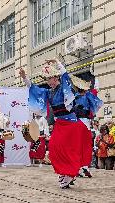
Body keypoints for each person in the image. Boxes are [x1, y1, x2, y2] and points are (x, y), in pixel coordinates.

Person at [19, 58, 88, 189]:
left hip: (71, 123)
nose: (48, 82)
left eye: (49, 79)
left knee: (69, 150)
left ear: (55, 77)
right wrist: (24, 77)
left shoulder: (63, 88)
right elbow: (34, 88)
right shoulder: (48, 92)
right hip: (60, 124)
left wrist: (57, 62)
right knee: (54, 149)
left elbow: (66, 76)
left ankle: (70, 173)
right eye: (46, 79)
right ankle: (64, 171)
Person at [70, 75, 103, 177]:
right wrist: (97, 78)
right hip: (83, 123)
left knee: (79, 146)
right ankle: (83, 166)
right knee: (85, 146)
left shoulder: (74, 96)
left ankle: (80, 167)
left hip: (77, 123)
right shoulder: (87, 95)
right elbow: (96, 89)